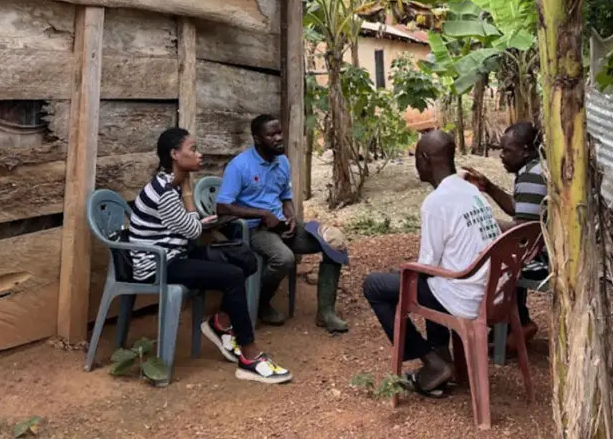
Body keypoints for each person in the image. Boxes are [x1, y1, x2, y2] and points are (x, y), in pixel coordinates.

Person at [129, 127, 292, 384]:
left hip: (176, 253)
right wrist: (188, 194)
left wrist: (201, 217)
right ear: (174, 154)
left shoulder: (167, 184)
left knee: (245, 259)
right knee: (232, 276)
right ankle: (249, 357)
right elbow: (193, 229)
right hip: (160, 264)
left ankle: (220, 322)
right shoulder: (165, 193)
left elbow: (185, 226)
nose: (199, 154)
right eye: (192, 149)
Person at [362, 130, 500, 395]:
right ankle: (441, 354)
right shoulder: (471, 191)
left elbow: (426, 267)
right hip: (489, 291)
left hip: (464, 297)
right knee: (433, 280)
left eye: (416, 157)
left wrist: (402, 271)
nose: (415, 163)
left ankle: (432, 362)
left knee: (376, 286)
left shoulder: (436, 203)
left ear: (425, 159)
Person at [216, 114, 349, 333]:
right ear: (258, 139)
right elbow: (222, 208)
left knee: (333, 243)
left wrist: (290, 217)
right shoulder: (239, 166)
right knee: (284, 259)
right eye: (271, 135)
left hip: (282, 225)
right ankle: (259, 303)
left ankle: (326, 313)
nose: (278, 138)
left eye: (279, 132)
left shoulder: (282, 161)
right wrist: (262, 214)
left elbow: (286, 196)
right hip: (256, 229)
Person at [463, 121, 547, 347]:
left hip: (543, 259)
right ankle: (518, 321)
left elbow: (524, 233)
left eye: (507, 150)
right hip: (541, 250)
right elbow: (516, 209)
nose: (502, 156)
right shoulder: (533, 169)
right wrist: (488, 187)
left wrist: (484, 222)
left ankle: (511, 326)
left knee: (492, 259)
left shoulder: (532, 176)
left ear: (525, 150)